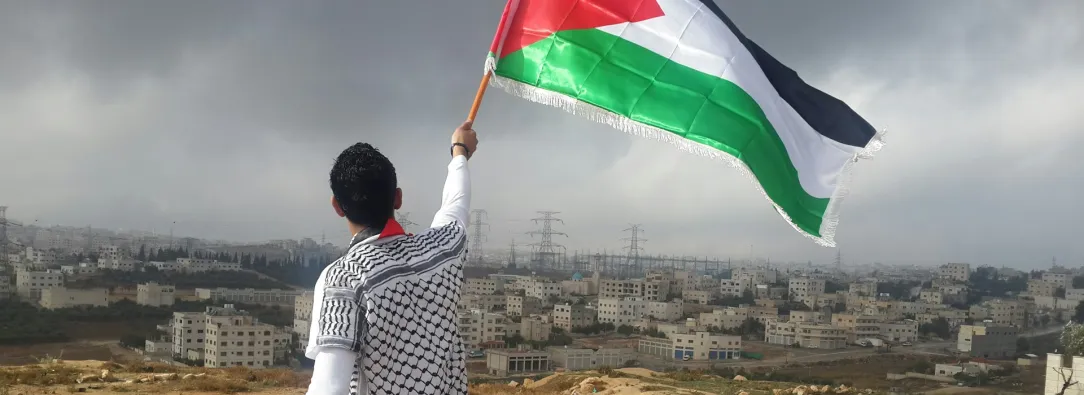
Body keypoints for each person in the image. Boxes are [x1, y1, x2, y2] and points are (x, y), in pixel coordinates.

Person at [305, 122, 478, 395]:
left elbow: (330, 387)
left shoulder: (346, 277)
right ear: (397, 198)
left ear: (337, 206)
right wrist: (460, 152)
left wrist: (461, 153)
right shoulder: (442, 251)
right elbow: (456, 204)